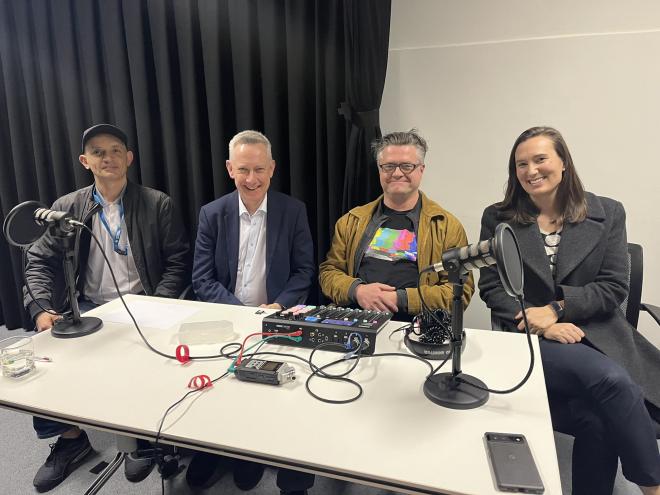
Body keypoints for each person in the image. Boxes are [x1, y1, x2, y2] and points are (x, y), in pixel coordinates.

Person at [479, 126, 660, 495]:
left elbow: (613, 287)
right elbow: (492, 287)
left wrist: (557, 308)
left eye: (540, 159)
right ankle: (653, 487)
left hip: (599, 334)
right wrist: (542, 324)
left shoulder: (607, 212)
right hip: (532, 339)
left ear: (563, 162)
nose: (531, 170)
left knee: (599, 420)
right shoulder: (498, 217)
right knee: (612, 382)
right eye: (521, 164)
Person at [23, 124, 191, 492]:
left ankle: (140, 439)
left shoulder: (157, 203)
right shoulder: (66, 209)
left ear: (129, 158)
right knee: (45, 361)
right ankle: (70, 439)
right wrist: (40, 309)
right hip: (86, 307)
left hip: (144, 303)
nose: (108, 157)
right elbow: (38, 262)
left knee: (152, 363)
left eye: (116, 150)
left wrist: (155, 307)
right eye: (98, 152)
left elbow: (179, 262)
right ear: (85, 161)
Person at [191, 130, 315, 495]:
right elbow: (201, 278)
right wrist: (242, 314)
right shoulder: (211, 214)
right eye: (243, 169)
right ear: (230, 168)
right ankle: (215, 450)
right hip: (225, 317)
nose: (251, 179)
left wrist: (276, 307)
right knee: (216, 389)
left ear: (272, 168)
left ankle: (251, 455)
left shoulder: (293, 211)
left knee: (268, 392)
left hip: (277, 317)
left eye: (259, 169)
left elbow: (304, 271)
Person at [319, 129, 473, 321]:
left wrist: (401, 298)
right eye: (389, 166)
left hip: (419, 327)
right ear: (379, 169)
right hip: (357, 321)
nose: (397, 173)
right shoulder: (351, 221)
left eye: (407, 166)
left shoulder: (446, 227)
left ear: (421, 170)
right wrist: (357, 290)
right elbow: (329, 273)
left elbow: (460, 291)